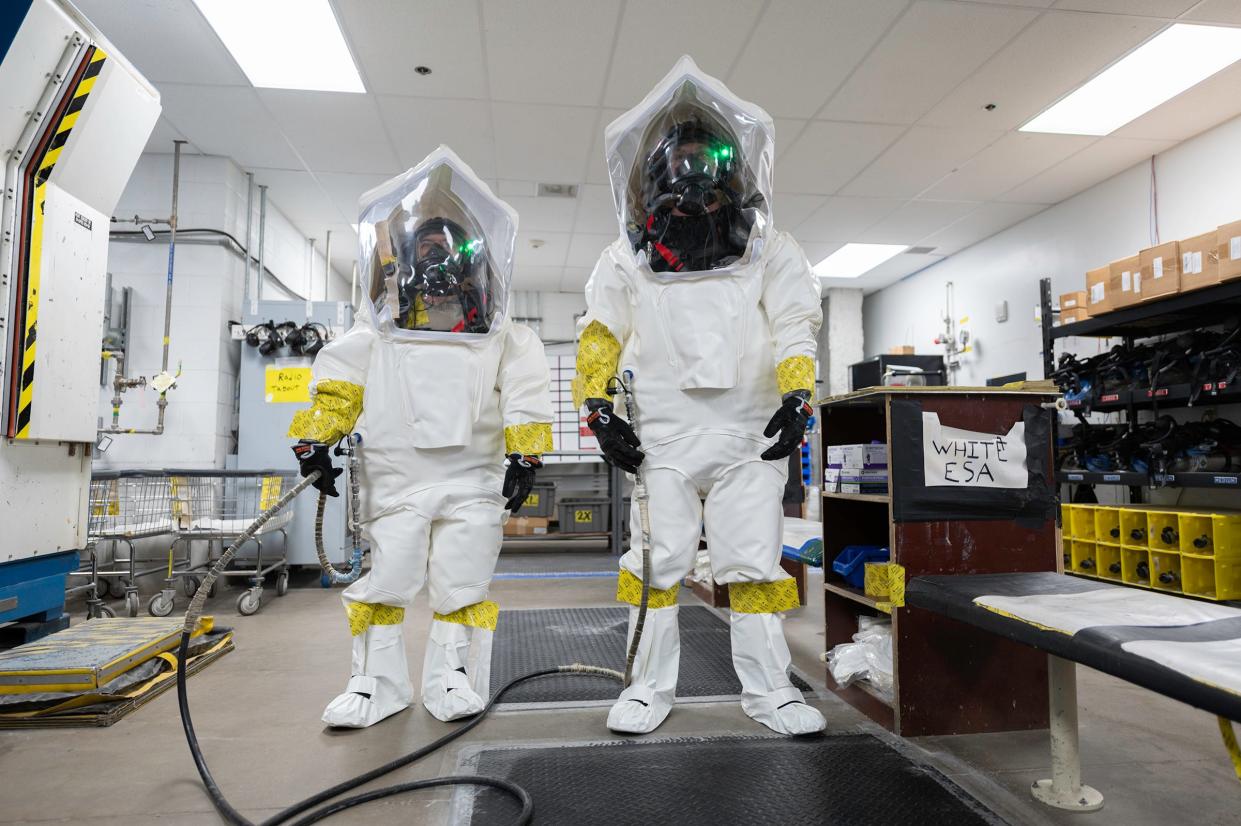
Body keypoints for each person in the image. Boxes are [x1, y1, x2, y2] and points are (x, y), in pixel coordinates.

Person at [574, 57, 825, 736]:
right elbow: (599, 335)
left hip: (749, 434)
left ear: (731, 177)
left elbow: (795, 326)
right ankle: (645, 689)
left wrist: (798, 398)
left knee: (751, 562)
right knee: (655, 565)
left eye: (704, 168)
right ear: (654, 176)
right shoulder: (623, 259)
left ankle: (771, 692)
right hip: (664, 436)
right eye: (676, 168)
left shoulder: (772, 250)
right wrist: (596, 409)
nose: (691, 186)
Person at [289, 146, 553, 728]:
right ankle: (375, 685)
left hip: (474, 476)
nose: (437, 263)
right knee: (389, 577)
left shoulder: (499, 332)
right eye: (425, 249)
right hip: (397, 474)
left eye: (448, 250)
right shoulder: (376, 329)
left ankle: (453, 678)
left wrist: (526, 453)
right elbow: (337, 383)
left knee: (463, 580)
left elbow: (526, 386)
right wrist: (314, 440)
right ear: (403, 260)